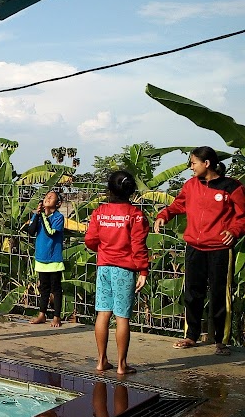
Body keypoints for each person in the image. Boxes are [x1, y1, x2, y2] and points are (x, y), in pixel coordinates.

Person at [154, 146, 245, 356]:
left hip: (220, 248)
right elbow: (178, 204)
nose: (191, 167)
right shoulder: (191, 185)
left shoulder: (231, 187)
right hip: (194, 247)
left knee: (220, 295)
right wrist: (164, 215)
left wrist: (234, 230)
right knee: (192, 293)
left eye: (193, 163)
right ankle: (191, 336)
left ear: (207, 163)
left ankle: (221, 341)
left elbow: (242, 216)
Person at [85, 170, 149, 376]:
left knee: (103, 313)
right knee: (122, 317)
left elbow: (90, 240)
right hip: (125, 269)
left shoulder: (99, 212)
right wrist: (143, 270)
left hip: (104, 266)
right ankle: (122, 365)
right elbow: (138, 245)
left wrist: (103, 250)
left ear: (109, 189)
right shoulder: (135, 215)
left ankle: (101, 360)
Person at [28, 191, 66, 327]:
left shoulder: (58, 218)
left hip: (54, 259)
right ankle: (42, 314)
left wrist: (43, 215)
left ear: (58, 203)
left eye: (51, 197)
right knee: (43, 288)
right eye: (46, 196)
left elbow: (50, 232)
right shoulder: (39, 216)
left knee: (55, 289)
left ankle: (56, 316)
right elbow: (31, 231)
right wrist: (37, 215)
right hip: (41, 258)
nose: (47, 198)